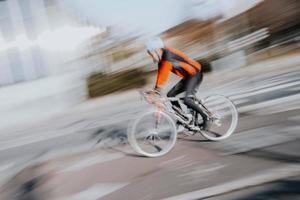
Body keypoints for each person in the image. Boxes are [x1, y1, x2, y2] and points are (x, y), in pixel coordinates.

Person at [146, 37, 207, 129]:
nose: (151, 56)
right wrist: (154, 91)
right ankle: (183, 118)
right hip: (188, 77)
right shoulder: (162, 60)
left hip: (195, 74)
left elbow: (163, 77)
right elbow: (160, 77)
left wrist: (156, 91)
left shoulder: (168, 55)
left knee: (187, 100)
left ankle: (205, 118)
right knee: (171, 95)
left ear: (157, 50)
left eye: (150, 53)